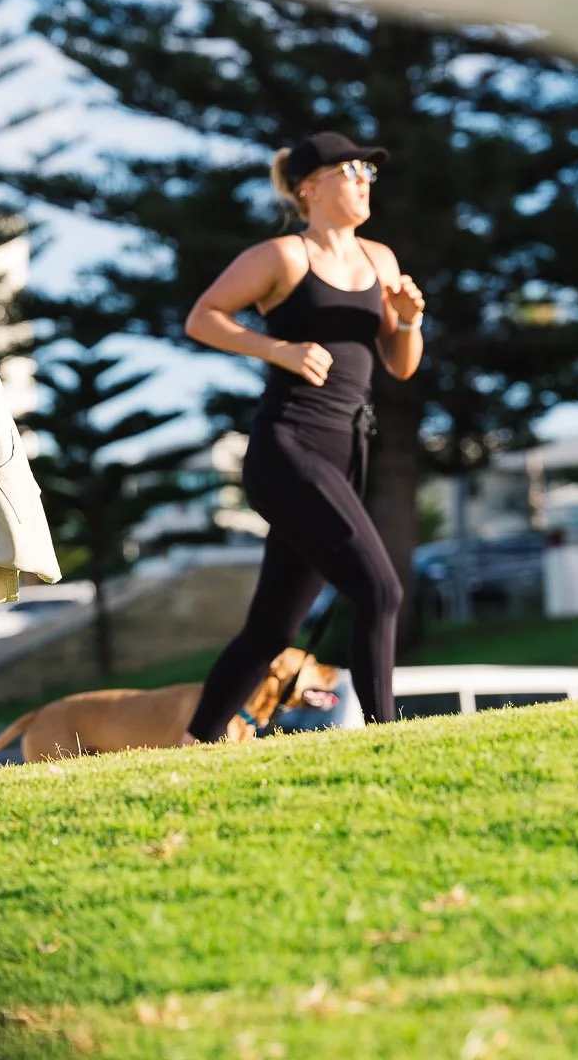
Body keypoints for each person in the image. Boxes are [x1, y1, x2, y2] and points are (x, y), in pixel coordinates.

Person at [180, 132, 426, 734]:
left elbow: (400, 365)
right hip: (288, 450)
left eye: (369, 171)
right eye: (352, 170)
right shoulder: (284, 257)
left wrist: (409, 323)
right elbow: (202, 318)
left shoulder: (381, 259)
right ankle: (387, 737)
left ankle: (193, 743)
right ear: (310, 187)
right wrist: (278, 350)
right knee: (381, 590)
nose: (365, 180)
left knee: (270, 630)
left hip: (346, 454)